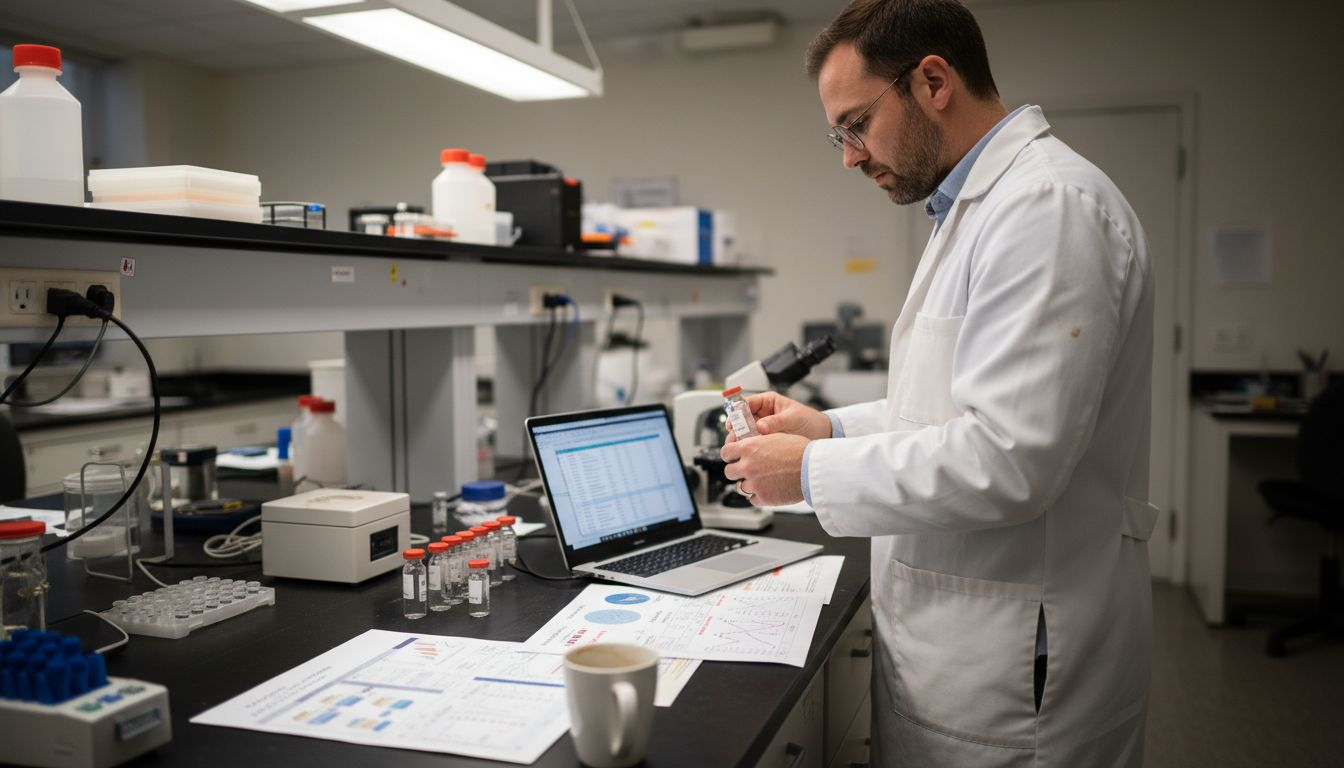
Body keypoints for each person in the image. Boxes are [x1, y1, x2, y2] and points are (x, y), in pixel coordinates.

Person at [719, 1, 1157, 765]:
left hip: (1019, 666)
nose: (849, 156)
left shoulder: (1047, 208)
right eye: (839, 134)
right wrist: (829, 430)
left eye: (856, 124)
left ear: (932, 81)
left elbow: (1011, 458)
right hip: (969, 640)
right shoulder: (971, 208)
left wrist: (810, 472)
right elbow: (951, 408)